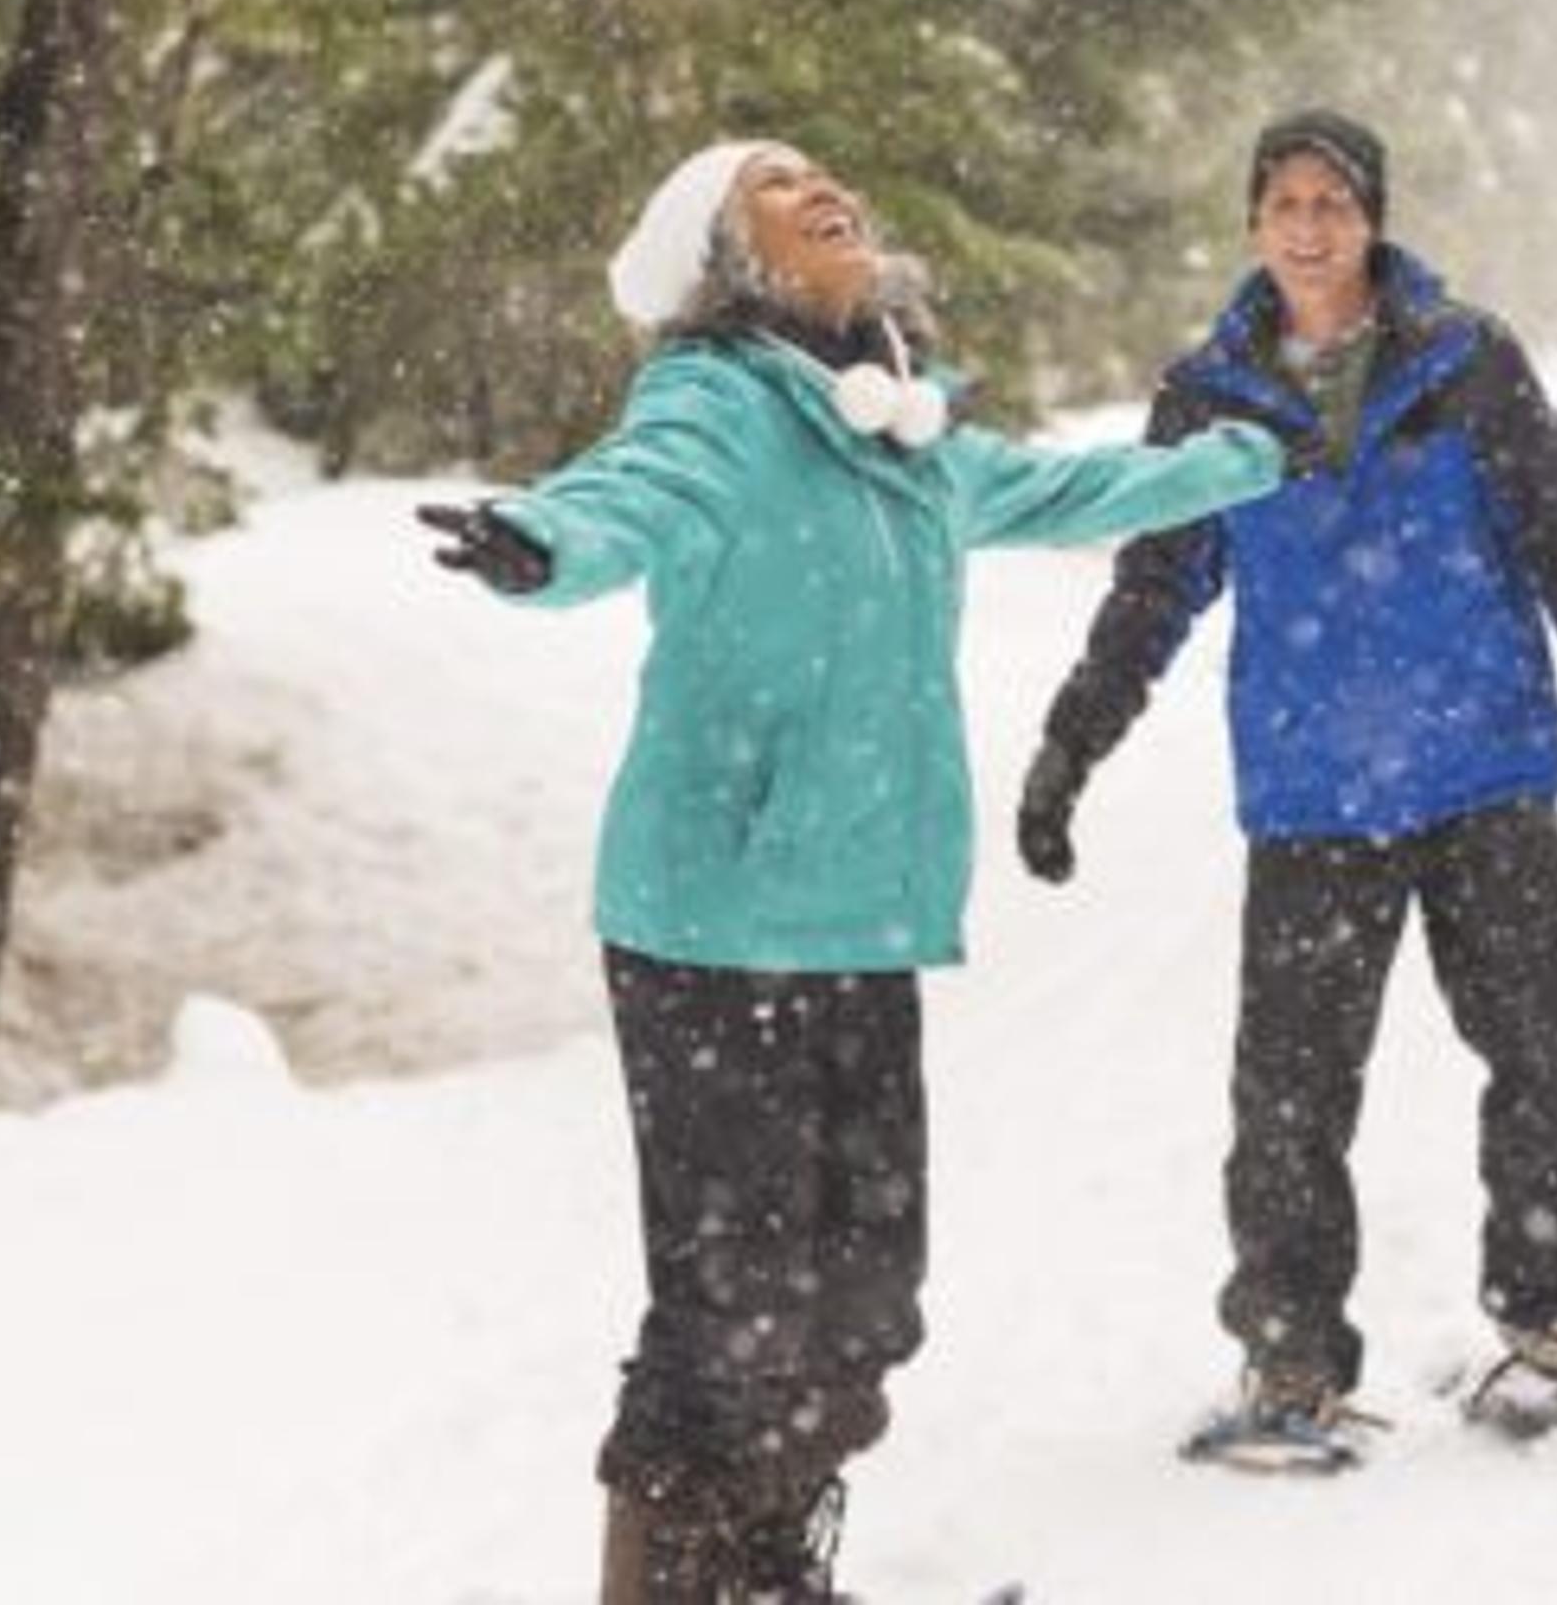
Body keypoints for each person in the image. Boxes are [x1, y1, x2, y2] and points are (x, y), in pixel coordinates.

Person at [419, 139, 1290, 1599]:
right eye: (772, 186)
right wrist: (542, 539)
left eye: (825, 176)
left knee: (863, 1309)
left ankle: (761, 1568)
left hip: (861, 923)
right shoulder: (716, 402)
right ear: (724, 254)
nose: (819, 189)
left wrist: (1248, 458)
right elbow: (629, 490)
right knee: (728, 1313)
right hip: (713, 921)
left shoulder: (907, 439)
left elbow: (1073, 489)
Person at [1014, 109, 1557, 1459]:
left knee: (1553, 1055)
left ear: (1371, 216)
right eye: (1285, 202)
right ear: (1255, 223)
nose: (1311, 225)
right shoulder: (1212, 394)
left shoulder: (1465, 362)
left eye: (1334, 200)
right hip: (1313, 793)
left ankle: (1552, 1318)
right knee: (1292, 1100)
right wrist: (1070, 745)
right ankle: (1290, 1368)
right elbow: (1156, 586)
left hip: (1484, 770)